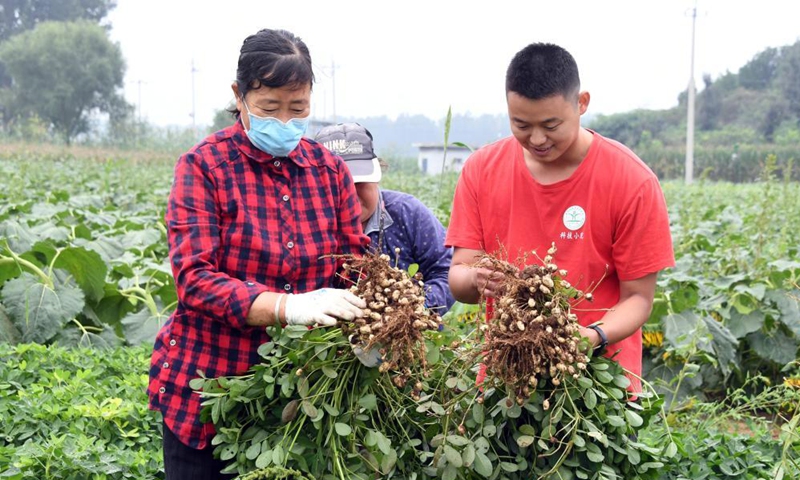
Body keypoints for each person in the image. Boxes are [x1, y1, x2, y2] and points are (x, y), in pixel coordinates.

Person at [147, 29, 369, 480]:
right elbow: (194, 279)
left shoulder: (329, 173)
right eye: (270, 109)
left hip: (299, 398)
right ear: (239, 96)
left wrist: (378, 305)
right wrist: (286, 306)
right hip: (210, 389)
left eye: (298, 109)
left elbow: (355, 266)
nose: (285, 122)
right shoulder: (204, 166)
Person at [445, 42, 675, 395]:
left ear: (581, 104)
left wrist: (592, 336)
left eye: (551, 124)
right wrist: (477, 278)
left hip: (599, 383)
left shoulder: (631, 181)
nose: (536, 139)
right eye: (521, 124)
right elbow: (459, 275)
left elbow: (639, 299)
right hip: (506, 381)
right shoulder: (481, 170)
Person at [314, 123, 456, 315]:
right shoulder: (308, 226)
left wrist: (409, 313)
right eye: (338, 184)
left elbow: (446, 272)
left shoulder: (408, 213)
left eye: (359, 182)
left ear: (377, 176)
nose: (349, 194)